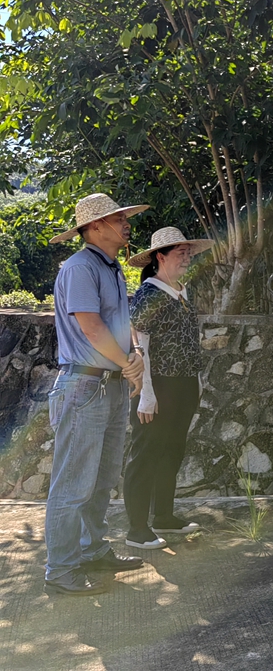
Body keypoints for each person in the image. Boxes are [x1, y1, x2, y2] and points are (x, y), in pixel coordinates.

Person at [43, 193, 150, 596]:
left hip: (108, 384)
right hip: (85, 386)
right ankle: (61, 570)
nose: (125, 223)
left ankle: (93, 550)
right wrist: (127, 363)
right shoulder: (80, 267)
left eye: (123, 217)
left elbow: (122, 323)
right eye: (117, 218)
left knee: (102, 481)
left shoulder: (111, 267)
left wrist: (133, 354)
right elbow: (90, 325)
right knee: (72, 486)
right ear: (94, 227)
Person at [124, 227, 215, 549]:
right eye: (180, 253)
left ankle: (163, 515)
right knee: (146, 454)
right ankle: (137, 529)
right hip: (158, 385)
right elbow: (141, 344)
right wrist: (146, 394)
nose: (187, 258)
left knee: (172, 451)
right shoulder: (149, 294)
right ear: (159, 257)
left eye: (188, 253)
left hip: (183, 385)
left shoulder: (181, 291)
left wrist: (196, 382)